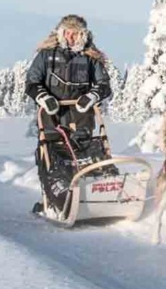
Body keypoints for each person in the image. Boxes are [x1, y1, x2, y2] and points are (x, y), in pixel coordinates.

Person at [25, 15, 112, 215]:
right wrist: (44, 98)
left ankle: (98, 192)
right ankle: (55, 198)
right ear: (61, 33)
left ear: (83, 35)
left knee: (86, 151)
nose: (71, 37)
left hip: (81, 113)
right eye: (68, 33)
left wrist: (91, 97)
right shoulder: (46, 55)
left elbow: (103, 84)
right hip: (51, 113)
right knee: (52, 154)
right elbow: (32, 82)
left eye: (76, 33)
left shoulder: (91, 57)